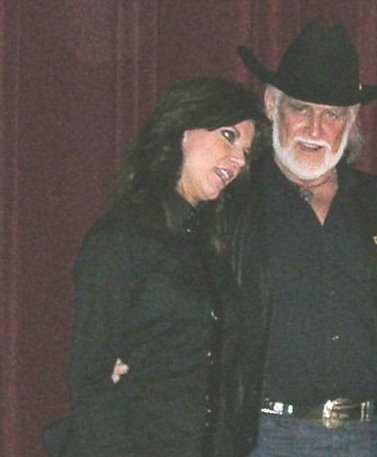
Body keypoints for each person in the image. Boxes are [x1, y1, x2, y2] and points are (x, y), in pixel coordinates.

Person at [215, 22, 377, 457]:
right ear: (271, 105)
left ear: (352, 121)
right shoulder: (233, 205)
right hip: (263, 440)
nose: (315, 128)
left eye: (333, 114)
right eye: (301, 109)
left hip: (373, 438)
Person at [44, 78, 266, 457]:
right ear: (183, 129)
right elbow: (90, 380)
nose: (238, 160)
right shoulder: (123, 236)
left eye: (246, 151)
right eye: (228, 136)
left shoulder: (210, 244)